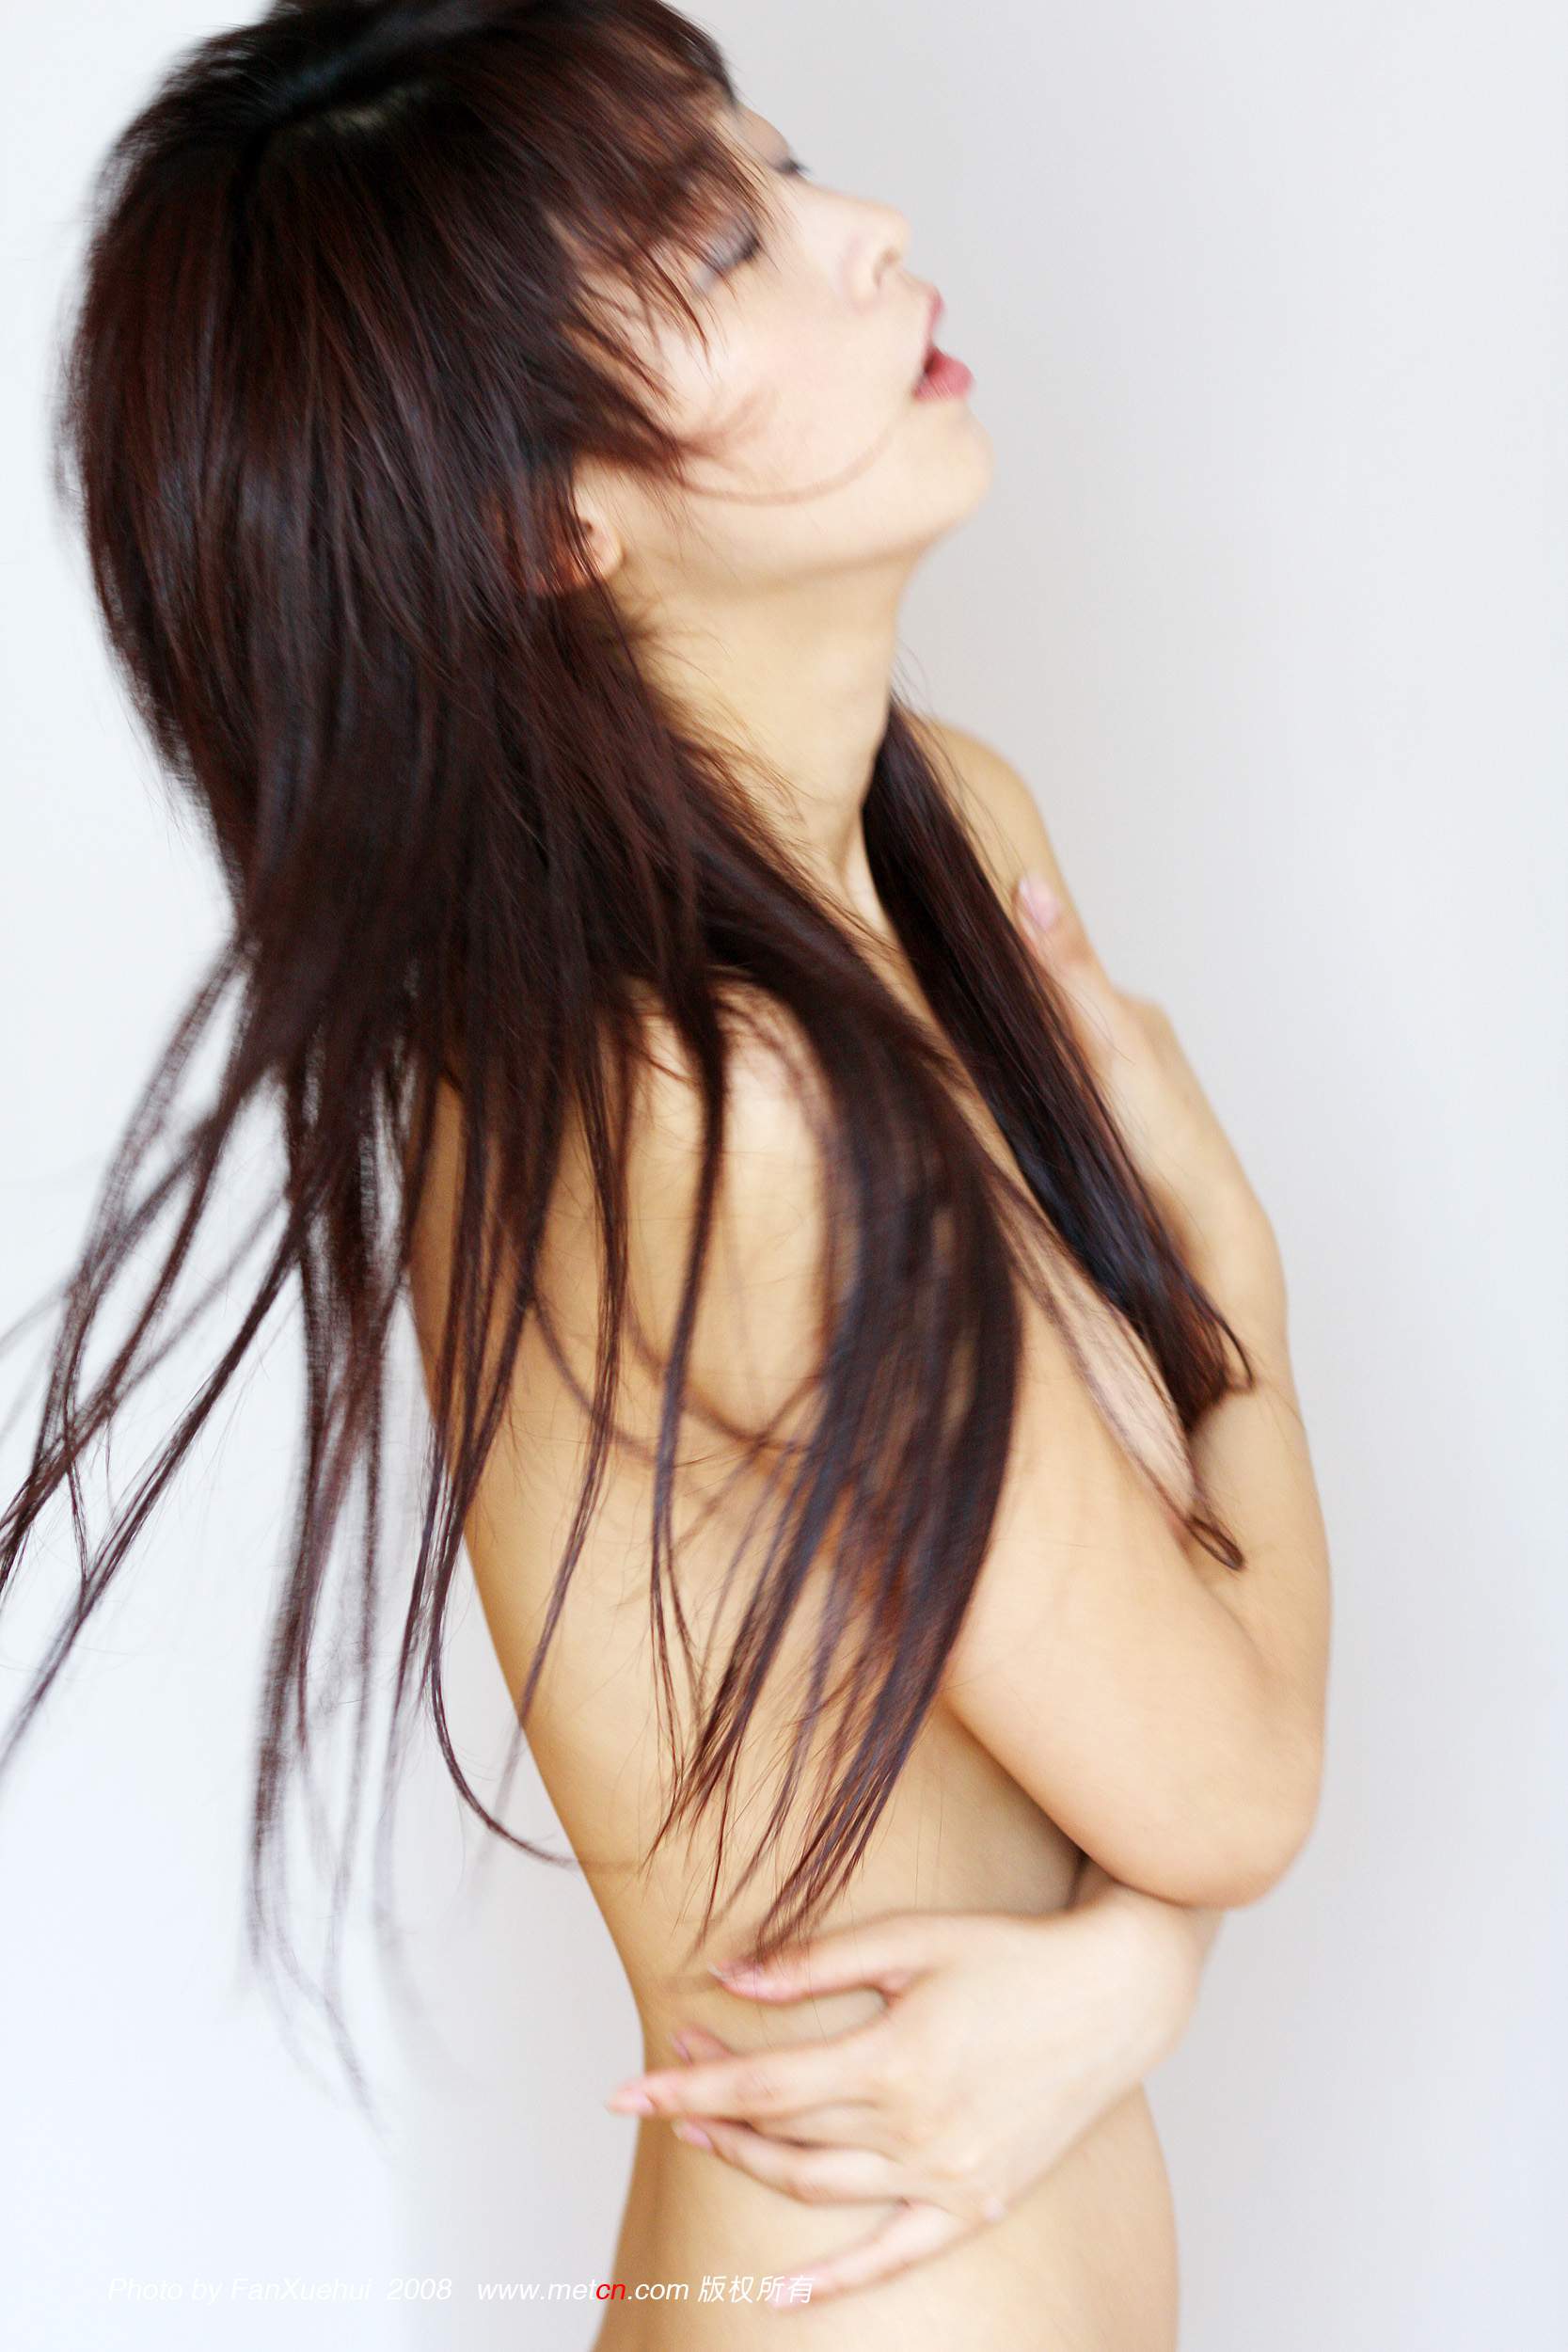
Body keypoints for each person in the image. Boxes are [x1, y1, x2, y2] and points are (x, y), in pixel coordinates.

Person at [0, 3, 1332, 2344]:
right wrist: (1244, 1281)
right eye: (727, 243)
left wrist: (1135, 1970)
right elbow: (1227, 1773)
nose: (867, 228)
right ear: (545, 520)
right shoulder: (711, 1103)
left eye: (782, 169)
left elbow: (1169, 1774)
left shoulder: (948, 847)